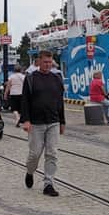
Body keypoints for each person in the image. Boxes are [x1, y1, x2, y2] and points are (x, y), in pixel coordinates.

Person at [20, 50, 65, 197]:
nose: (47, 65)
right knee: (35, 154)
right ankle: (30, 171)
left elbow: (60, 102)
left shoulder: (57, 79)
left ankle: (48, 183)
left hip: (53, 121)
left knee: (52, 153)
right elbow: (25, 101)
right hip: (36, 123)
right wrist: (25, 120)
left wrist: (62, 121)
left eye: (50, 62)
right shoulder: (31, 79)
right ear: (39, 62)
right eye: (45, 62)